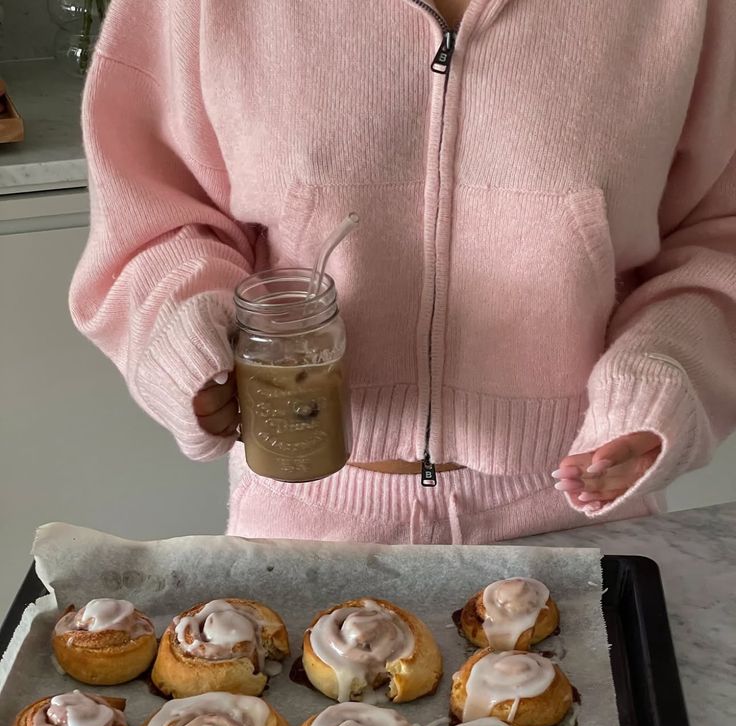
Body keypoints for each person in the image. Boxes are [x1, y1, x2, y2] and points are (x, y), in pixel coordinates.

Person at [70, 0, 736, 545]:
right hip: (303, 520)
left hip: (580, 519)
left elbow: (717, 233)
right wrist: (187, 326)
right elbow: (153, 213)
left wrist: (662, 376)